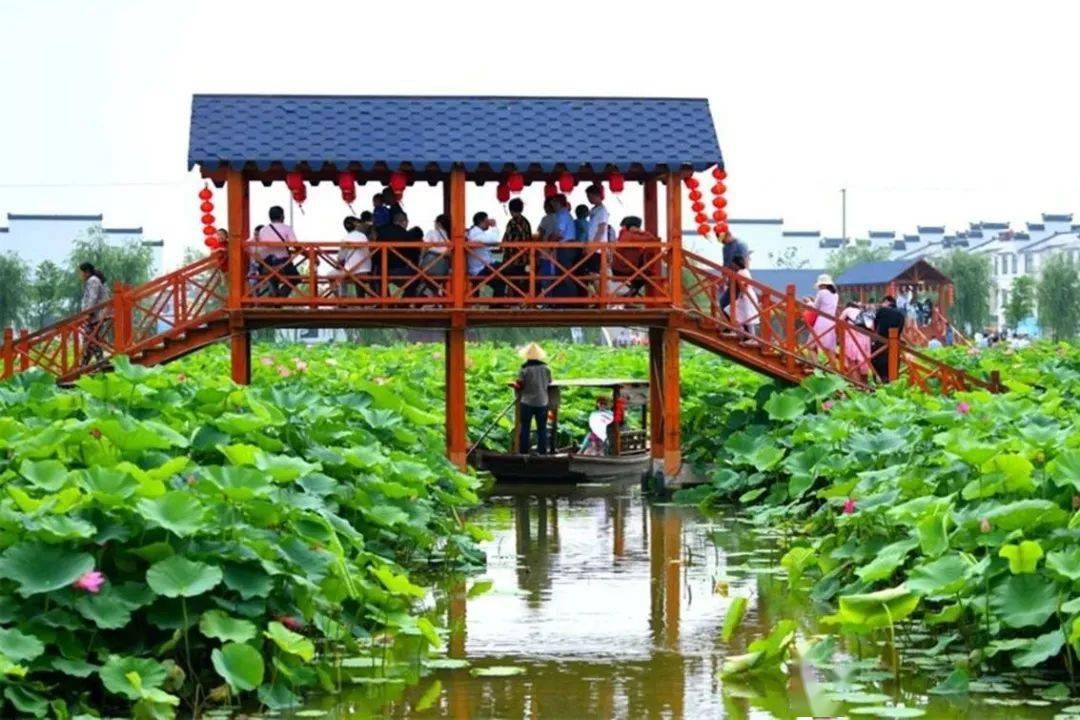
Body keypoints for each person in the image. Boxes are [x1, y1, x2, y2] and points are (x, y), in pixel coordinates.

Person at [515, 342, 552, 454]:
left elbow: (520, 385)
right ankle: (542, 451)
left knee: (525, 427)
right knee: (542, 428)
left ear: (526, 356)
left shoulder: (524, 369)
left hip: (527, 402)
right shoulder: (546, 368)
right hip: (542, 401)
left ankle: (524, 451)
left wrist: (516, 385)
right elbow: (550, 381)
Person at [256, 206, 301, 297]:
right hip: (283, 265)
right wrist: (307, 254)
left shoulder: (263, 230)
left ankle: (274, 296)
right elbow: (296, 246)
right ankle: (280, 297)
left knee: (272, 277)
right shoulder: (286, 228)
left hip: (265, 265)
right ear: (281, 216)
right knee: (296, 278)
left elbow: (259, 249)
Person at [377, 211, 424, 297]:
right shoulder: (406, 235)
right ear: (404, 222)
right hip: (401, 271)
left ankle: (385, 301)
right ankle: (404, 302)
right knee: (417, 276)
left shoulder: (382, 233)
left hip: (382, 271)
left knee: (377, 277)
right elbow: (414, 254)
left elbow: (375, 253)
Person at [612, 216, 660, 296]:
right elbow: (652, 239)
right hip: (624, 269)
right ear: (634, 226)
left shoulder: (624, 234)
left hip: (622, 267)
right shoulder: (630, 236)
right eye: (638, 226)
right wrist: (642, 232)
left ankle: (629, 296)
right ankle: (629, 296)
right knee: (648, 273)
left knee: (645, 272)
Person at [79, 262, 111, 366]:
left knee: (90, 339)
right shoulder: (95, 280)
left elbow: (92, 298)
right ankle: (85, 364)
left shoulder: (92, 281)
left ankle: (100, 361)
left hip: (95, 316)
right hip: (95, 315)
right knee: (89, 340)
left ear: (87, 272)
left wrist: (88, 313)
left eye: (82, 273)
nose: (81, 275)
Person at [501, 198, 535, 296]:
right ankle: (522, 302)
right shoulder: (526, 222)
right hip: (525, 258)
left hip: (513, 258)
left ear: (511, 210)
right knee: (522, 283)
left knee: (512, 281)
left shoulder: (512, 223)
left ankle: (514, 302)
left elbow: (507, 239)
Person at [466, 212, 504, 297]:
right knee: (506, 269)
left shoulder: (476, 233)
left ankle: (498, 304)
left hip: (482, 267)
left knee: (501, 274)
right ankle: (500, 304)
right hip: (479, 270)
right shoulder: (475, 234)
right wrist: (494, 226)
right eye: (487, 221)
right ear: (481, 221)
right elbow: (494, 240)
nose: (489, 223)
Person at [335, 214, 372, 297]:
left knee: (331, 275)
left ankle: (342, 299)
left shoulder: (345, 239)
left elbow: (340, 258)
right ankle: (361, 301)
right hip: (366, 269)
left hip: (350, 271)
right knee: (344, 274)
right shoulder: (363, 236)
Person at [871, 295, 906, 382]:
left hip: (881, 343)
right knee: (892, 368)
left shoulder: (882, 310)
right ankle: (892, 382)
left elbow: (875, 325)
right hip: (894, 345)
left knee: (874, 359)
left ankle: (879, 380)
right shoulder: (901, 314)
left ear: (887, 301)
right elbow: (900, 330)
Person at [717, 232, 751, 324]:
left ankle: (739, 331)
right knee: (724, 303)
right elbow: (725, 264)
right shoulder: (725, 248)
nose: (723, 242)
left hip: (740, 279)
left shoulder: (741, 245)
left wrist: (744, 279)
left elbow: (745, 262)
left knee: (742, 309)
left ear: (728, 235)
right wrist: (723, 279)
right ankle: (730, 327)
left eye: (723, 240)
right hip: (730, 280)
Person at [730, 254, 760, 342]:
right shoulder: (745, 271)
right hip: (748, 295)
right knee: (743, 315)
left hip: (746, 296)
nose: (732, 265)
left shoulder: (740, 272)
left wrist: (742, 293)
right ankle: (745, 334)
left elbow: (744, 284)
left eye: (733, 264)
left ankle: (750, 337)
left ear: (736, 264)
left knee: (747, 316)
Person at [806, 274, 839, 353]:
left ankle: (815, 365)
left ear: (823, 284)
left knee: (810, 345)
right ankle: (832, 365)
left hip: (822, 321)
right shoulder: (836, 295)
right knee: (830, 348)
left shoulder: (822, 292)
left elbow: (815, 307)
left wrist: (809, 302)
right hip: (831, 322)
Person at [839, 300, 872, 377]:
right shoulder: (861, 312)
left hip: (853, 337)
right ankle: (864, 384)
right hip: (865, 337)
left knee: (852, 361)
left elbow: (838, 321)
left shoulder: (847, 310)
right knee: (863, 361)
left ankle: (856, 384)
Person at [422, 214, 451, 292]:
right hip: (444, 266)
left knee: (422, 280)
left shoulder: (431, 232)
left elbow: (424, 246)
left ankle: (427, 296)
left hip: (430, 264)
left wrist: (420, 260)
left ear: (438, 223)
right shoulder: (449, 236)